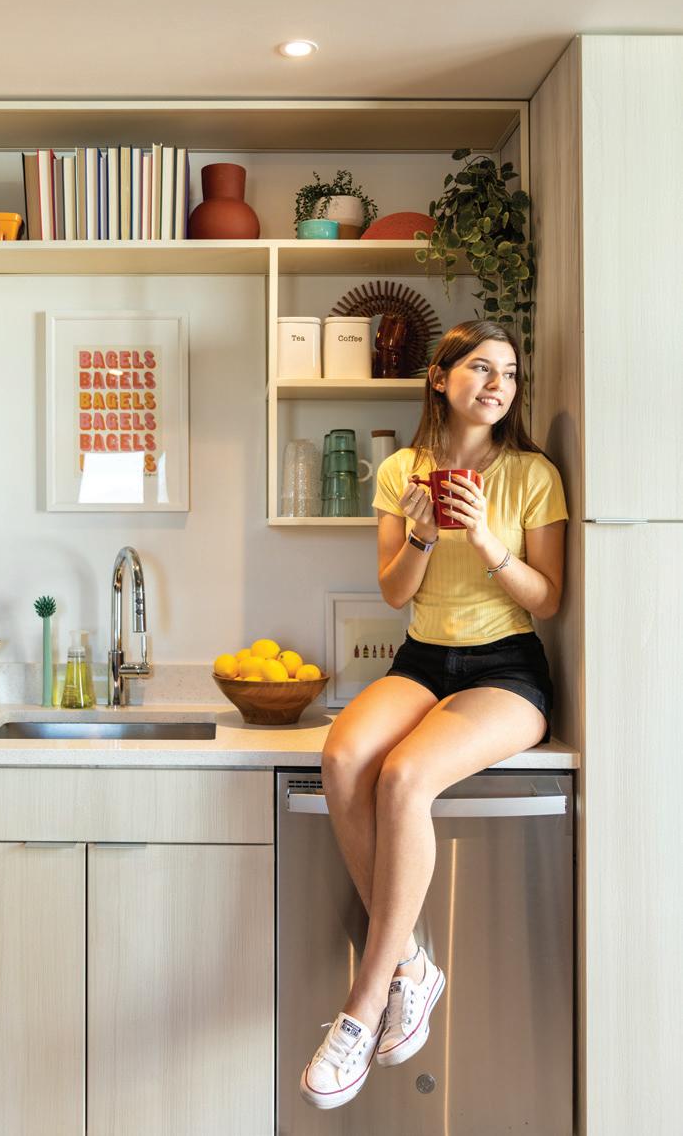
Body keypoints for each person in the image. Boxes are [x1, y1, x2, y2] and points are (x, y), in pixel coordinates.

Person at [300, 319, 568, 1110]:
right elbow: (394, 592)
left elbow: (549, 599)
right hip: (422, 658)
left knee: (405, 776)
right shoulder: (401, 471)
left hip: (507, 668)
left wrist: (485, 538)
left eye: (510, 373)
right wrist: (420, 533)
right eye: (481, 368)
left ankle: (363, 1004)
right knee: (344, 757)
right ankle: (413, 963)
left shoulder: (533, 475)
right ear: (440, 378)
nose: (498, 385)